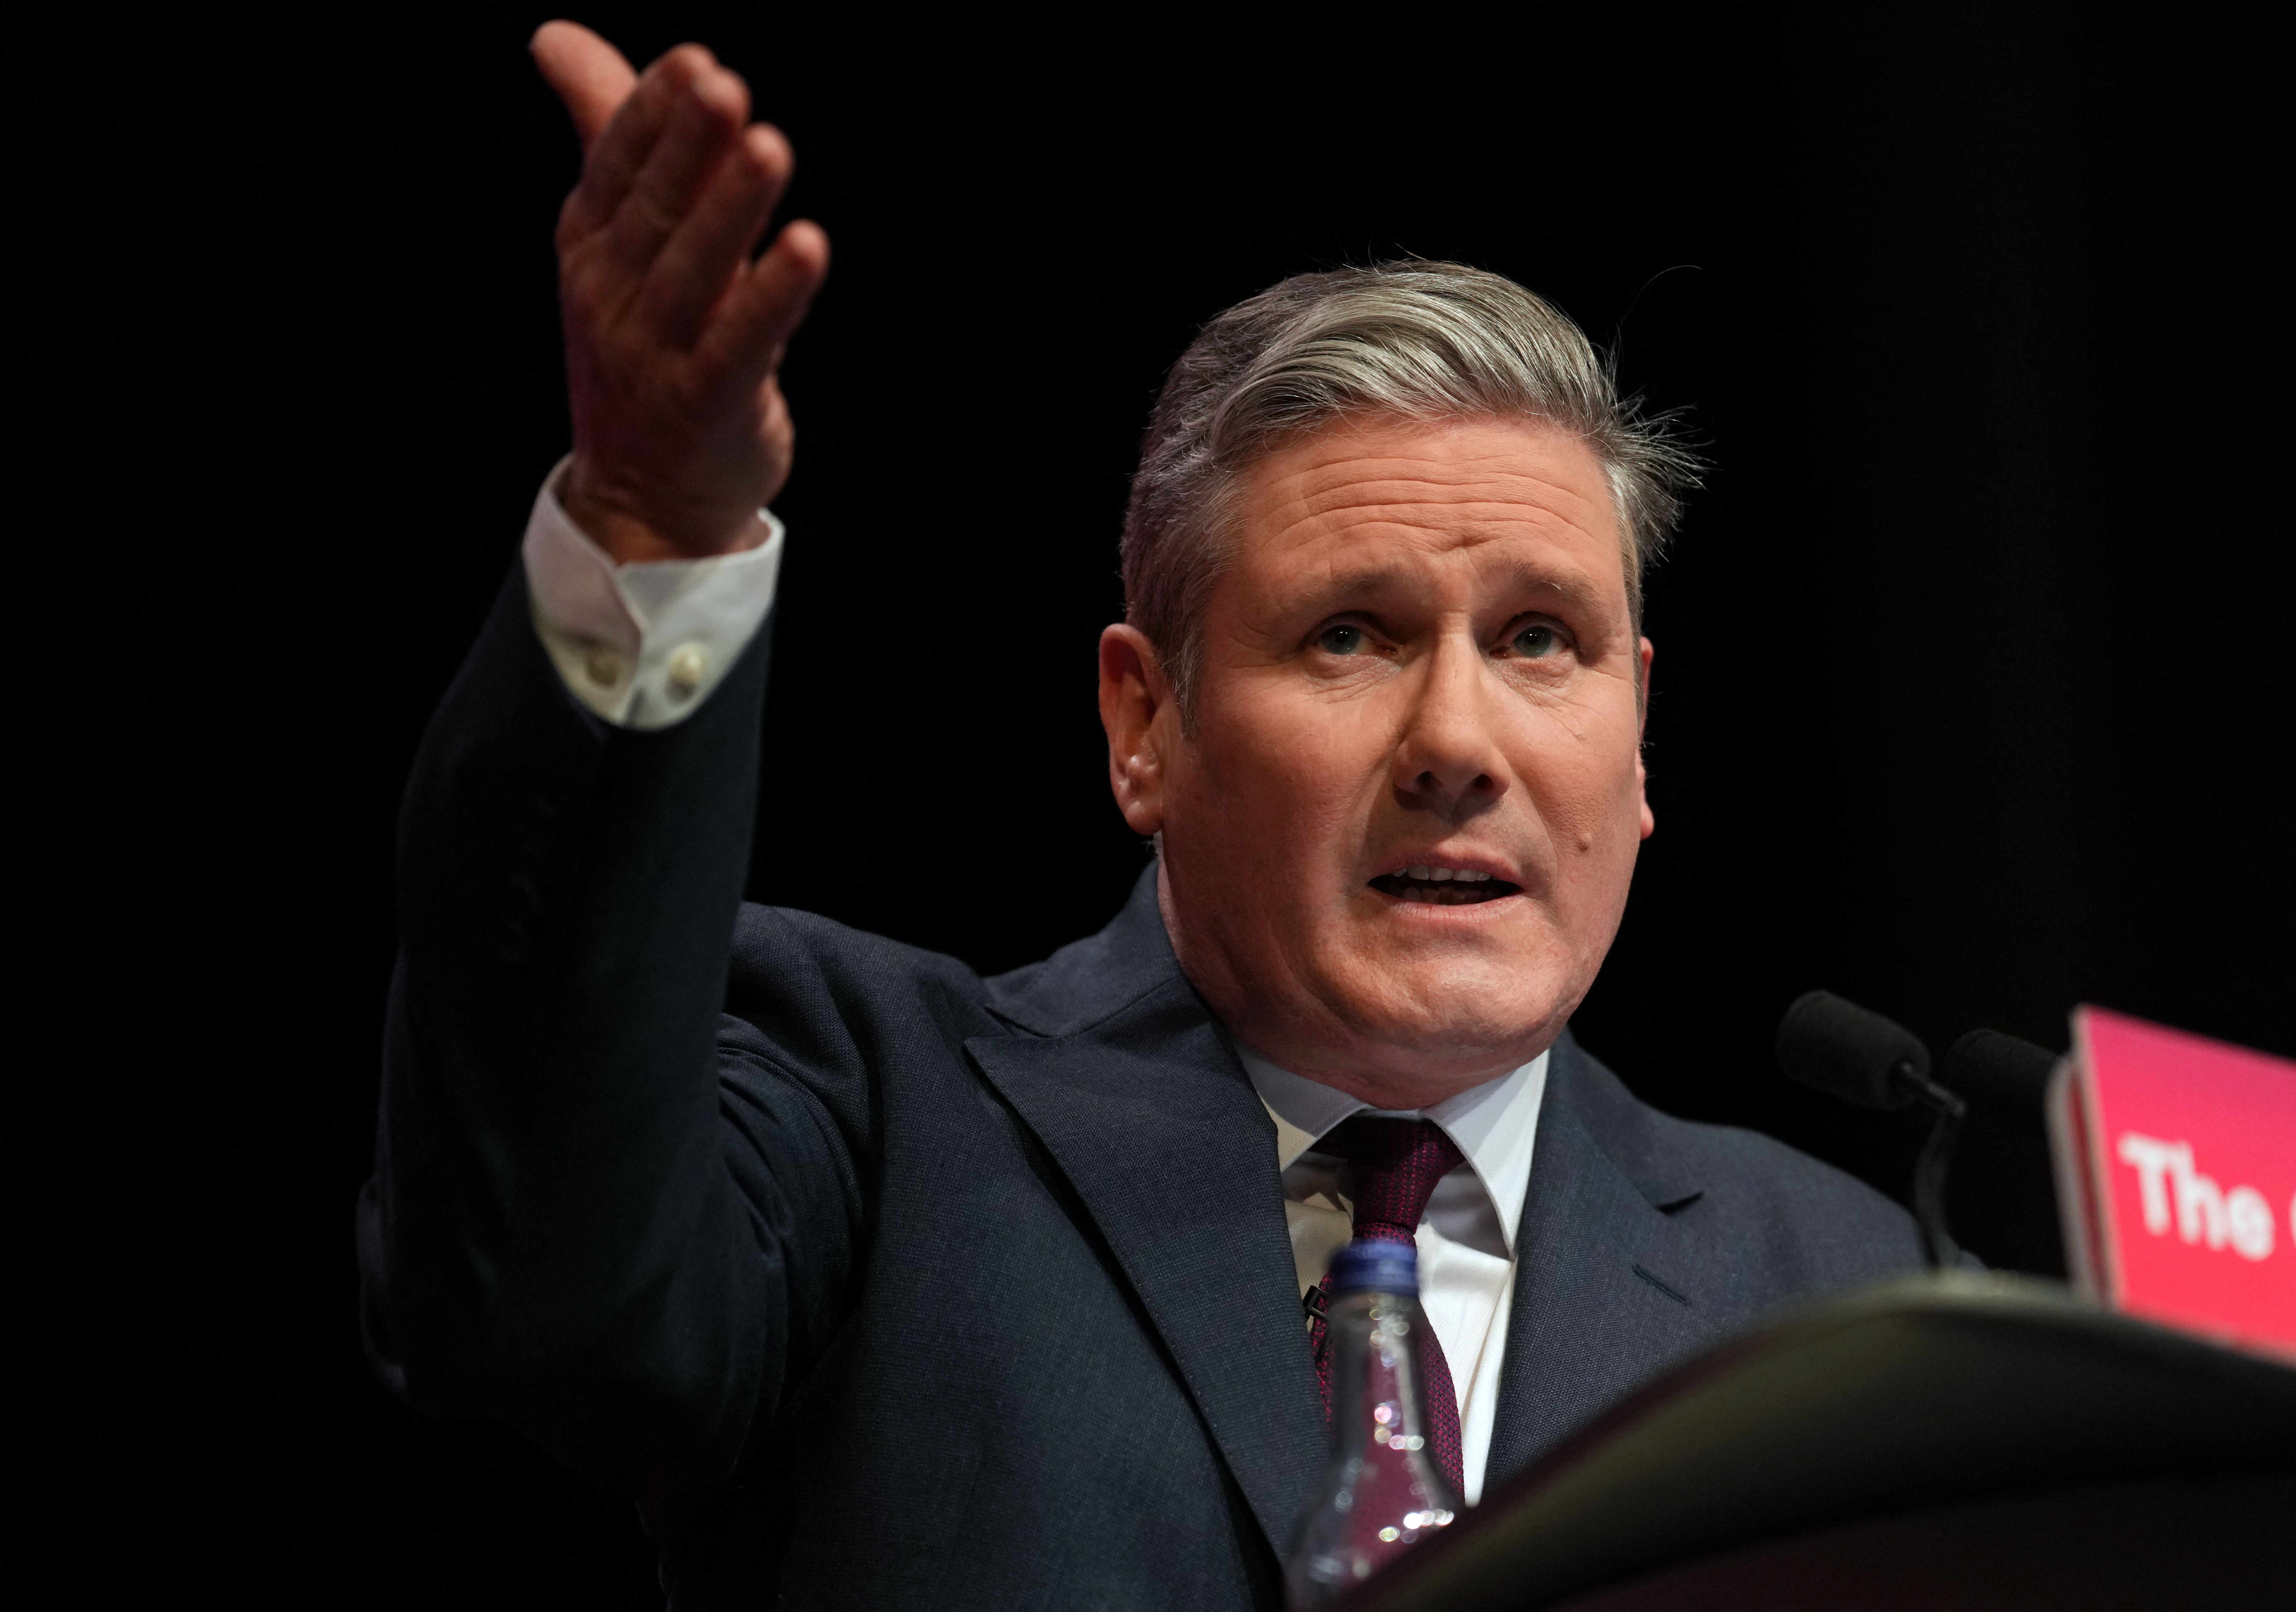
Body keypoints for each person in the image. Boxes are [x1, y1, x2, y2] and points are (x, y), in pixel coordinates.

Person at [358, 21, 1924, 1609]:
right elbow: (519, 1289)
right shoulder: (875, 1121)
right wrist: (642, 544)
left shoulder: (1843, 1297)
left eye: (1540, 640)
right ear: (1145, 724)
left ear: (1639, 733)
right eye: (1350, 635)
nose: (1460, 741)